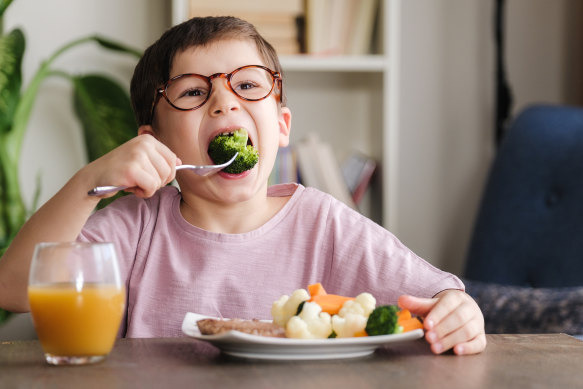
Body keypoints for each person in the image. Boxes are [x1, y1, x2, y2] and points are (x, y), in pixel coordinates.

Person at [0, 16, 486, 355]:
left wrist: (457, 312)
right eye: (193, 91)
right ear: (152, 142)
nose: (224, 103)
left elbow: (439, 295)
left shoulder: (325, 224)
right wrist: (90, 178)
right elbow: (12, 287)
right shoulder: (136, 229)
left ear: (282, 125)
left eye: (248, 86)